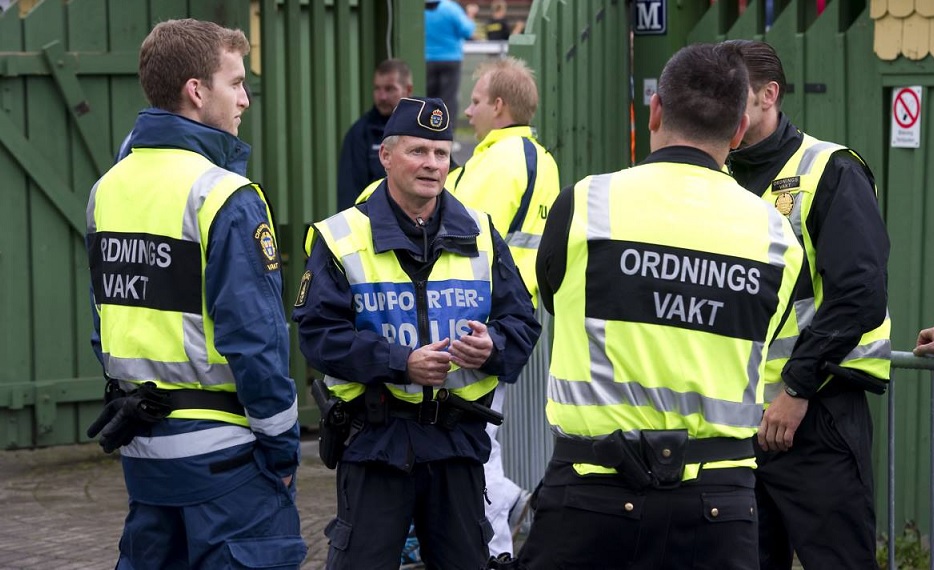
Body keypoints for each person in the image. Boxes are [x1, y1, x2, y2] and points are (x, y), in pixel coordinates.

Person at [517, 42, 804, 569]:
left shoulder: (584, 203)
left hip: (592, 492)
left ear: (654, 110)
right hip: (718, 504)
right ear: (739, 130)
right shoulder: (776, 235)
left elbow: (556, 298)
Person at [84, 19, 306, 569]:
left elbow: (104, 321)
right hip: (228, 466)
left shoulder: (107, 189)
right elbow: (255, 341)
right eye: (236, 83)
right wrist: (282, 449)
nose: (245, 100)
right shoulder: (224, 195)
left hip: (145, 453)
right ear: (196, 91)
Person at [292, 96, 541, 569]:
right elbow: (319, 336)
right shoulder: (342, 236)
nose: (432, 164)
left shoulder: (481, 233)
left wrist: (493, 346)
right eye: (417, 151)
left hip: (456, 443)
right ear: (386, 156)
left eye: (441, 153)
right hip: (376, 441)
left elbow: (522, 322)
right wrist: (401, 362)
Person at [724, 39, 891, 570]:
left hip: (816, 413)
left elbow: (860, 292)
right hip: (733, 424)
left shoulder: (830, 169)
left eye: (733, 95)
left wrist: (797, 388)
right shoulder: (715, 178)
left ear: (769, 95)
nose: (719, 108)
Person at [453, 55, 560, 558]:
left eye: (475, 101)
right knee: (483, 430)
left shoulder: (495, 163)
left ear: (498, 106)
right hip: (515, 314)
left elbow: (461, 237)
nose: (467, 111)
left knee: (473, 435)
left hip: (480, 314)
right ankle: (508, 507)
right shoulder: (541, 159)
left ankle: (496, 540)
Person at [337, 58, 413, 211]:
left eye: (389, 89)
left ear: (408, 90)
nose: (382, 96)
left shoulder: (424, 130)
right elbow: (349, 195)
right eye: (377, 89)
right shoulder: (359, 134)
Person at [425, 0, 478, 124]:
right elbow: (467, 31)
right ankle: (447, 131)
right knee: (448, 100)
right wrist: (470, 15)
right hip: (450, 59)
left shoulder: (419, 9)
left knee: (427, 100)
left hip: (427, 60)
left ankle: (427, 130)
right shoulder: (451, 8)